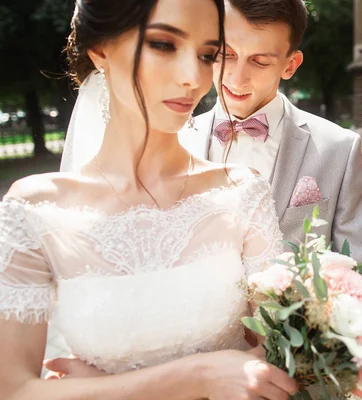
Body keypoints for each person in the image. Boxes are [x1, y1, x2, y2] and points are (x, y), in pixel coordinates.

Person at [0, 0, 297, 399]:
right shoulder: (35, 211)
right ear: (101, 49)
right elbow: (14, 389)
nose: (194, 78)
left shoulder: (241, 194)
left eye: (208, 55)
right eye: (163, 44)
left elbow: (283, 360)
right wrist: (200, 376)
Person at [179, 0, 362, 264]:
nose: (237, 79)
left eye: (260, 61)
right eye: (226, 55)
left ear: (290, 65)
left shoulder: (339, 150)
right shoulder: (174, 139)